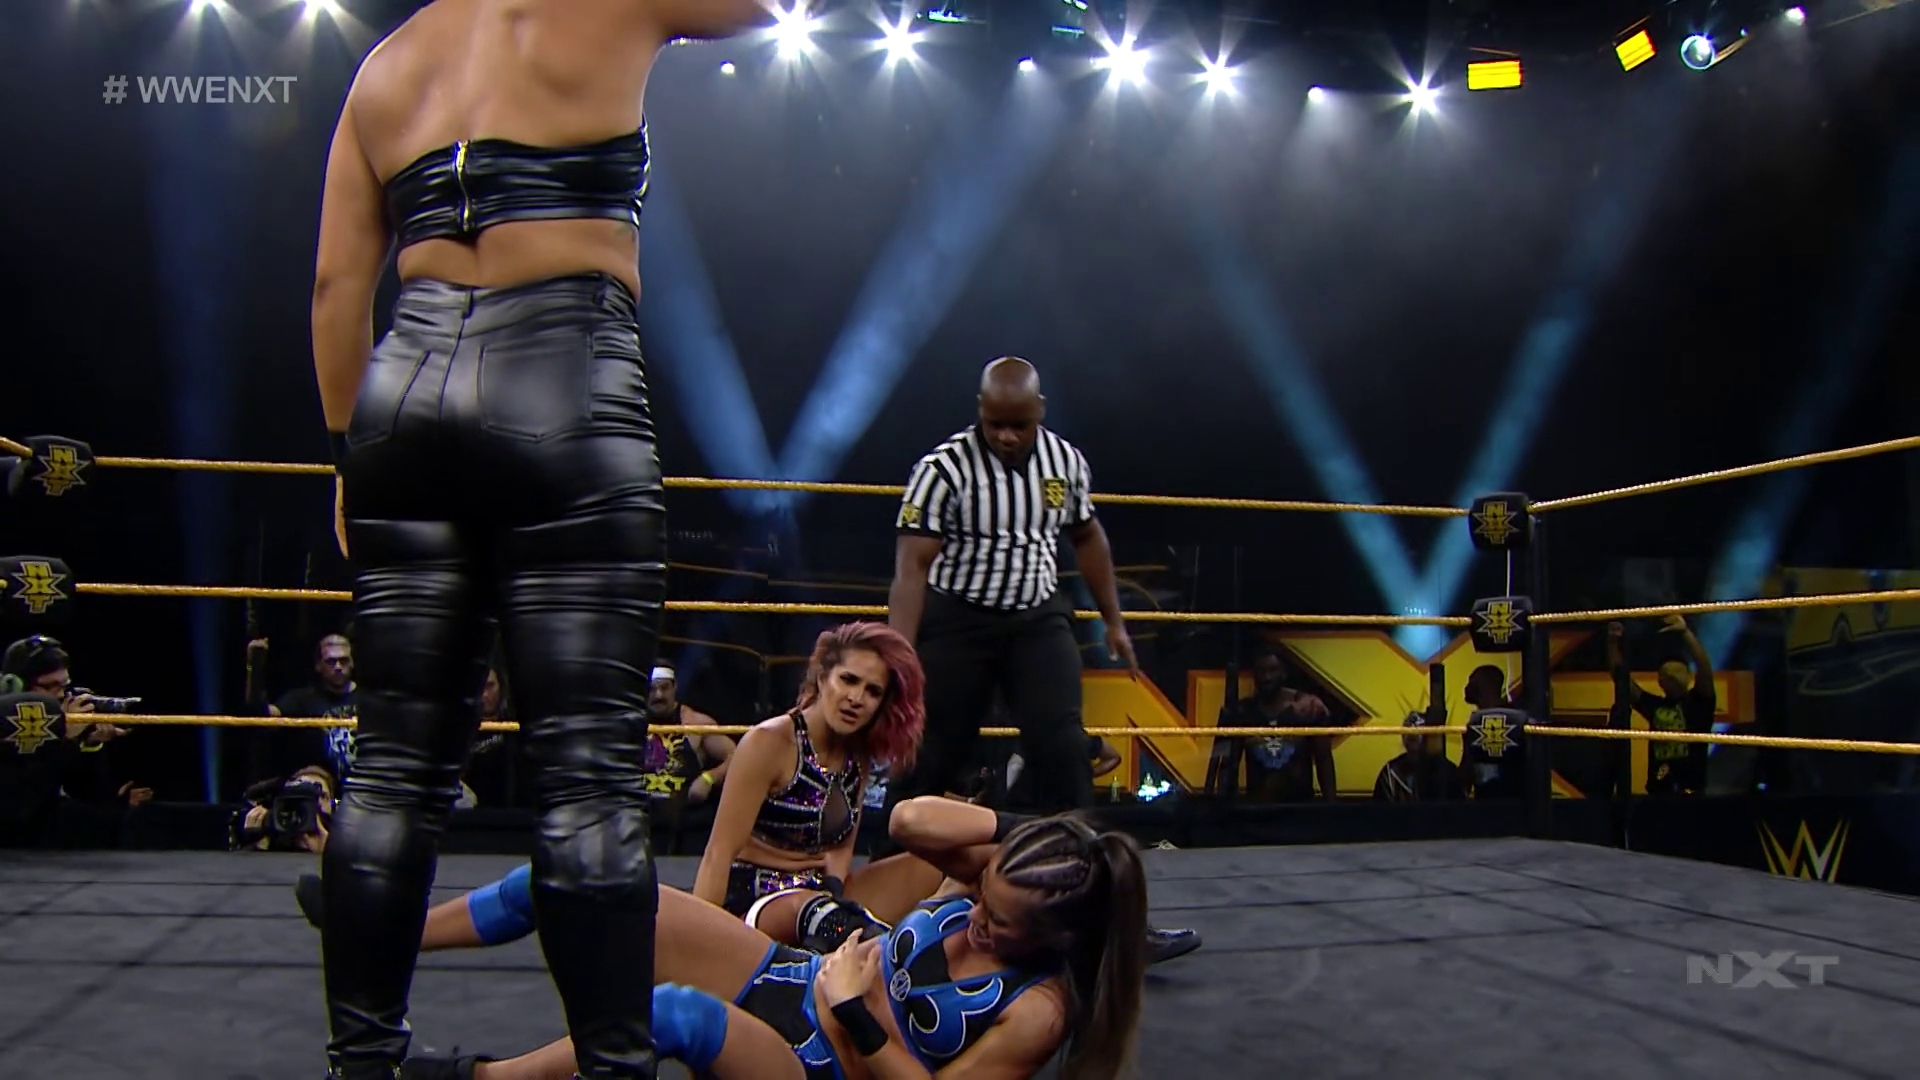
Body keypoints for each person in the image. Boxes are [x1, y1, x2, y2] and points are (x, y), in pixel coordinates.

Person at [309, 2, 776, 1077]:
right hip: (563, 369)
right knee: (588, 778)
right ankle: (613, 1067)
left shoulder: (386, 66)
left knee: (391, 771)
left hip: (403, 391)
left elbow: (337, 288)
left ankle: (363, 1063)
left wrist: (347, 456)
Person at [296, 622, 938, 953]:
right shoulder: (772, 741)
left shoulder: (858, 754)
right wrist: (707, 946)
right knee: (557, 879)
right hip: (752, 897)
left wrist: (828, 883)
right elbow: (719, 853)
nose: (856, 698)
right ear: (822, 676)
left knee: (927, 866)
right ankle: (388, 931)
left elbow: (839, 850)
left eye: (872, 690)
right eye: (848, 681)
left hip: (816, 895)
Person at [403, 800, 1147, 1080]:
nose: (977, 915)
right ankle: (392, 938)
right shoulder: (987, 888)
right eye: (982, 893)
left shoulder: (1039, 1009)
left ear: (1058, 935)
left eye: (1002, 921)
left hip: (819, 1064)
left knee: (676, 1014)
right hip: (788, 975)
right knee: (584, 885)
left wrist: (857, 1012)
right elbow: (913, 820)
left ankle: (482, 1079)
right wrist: (1051, 839)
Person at [882, 357, 1135, 822]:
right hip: (959, 616)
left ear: (1040, 410)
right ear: (980, 408)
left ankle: (1079, 852)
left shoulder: (1064, 462)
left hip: (1036, 615)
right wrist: (900, 655)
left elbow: (1087, 536)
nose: (1007, 437)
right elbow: (911, 566)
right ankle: (892, 852)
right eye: (995, 424)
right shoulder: (943, 469)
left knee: (1063, 741)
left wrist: (1114, 621)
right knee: (933, 744)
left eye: (1019, 425)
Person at [1608, 616, 1716, 795]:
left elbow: (1704, 669)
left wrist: (1686, 633)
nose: (1672, 674)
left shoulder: (1699, 703)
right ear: (1661, 680)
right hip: (1658, 792)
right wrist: (1613, 641)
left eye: (1676, 670)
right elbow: (1621, 680)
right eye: (1667, 672)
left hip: (1690, 793)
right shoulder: (1654, 705)